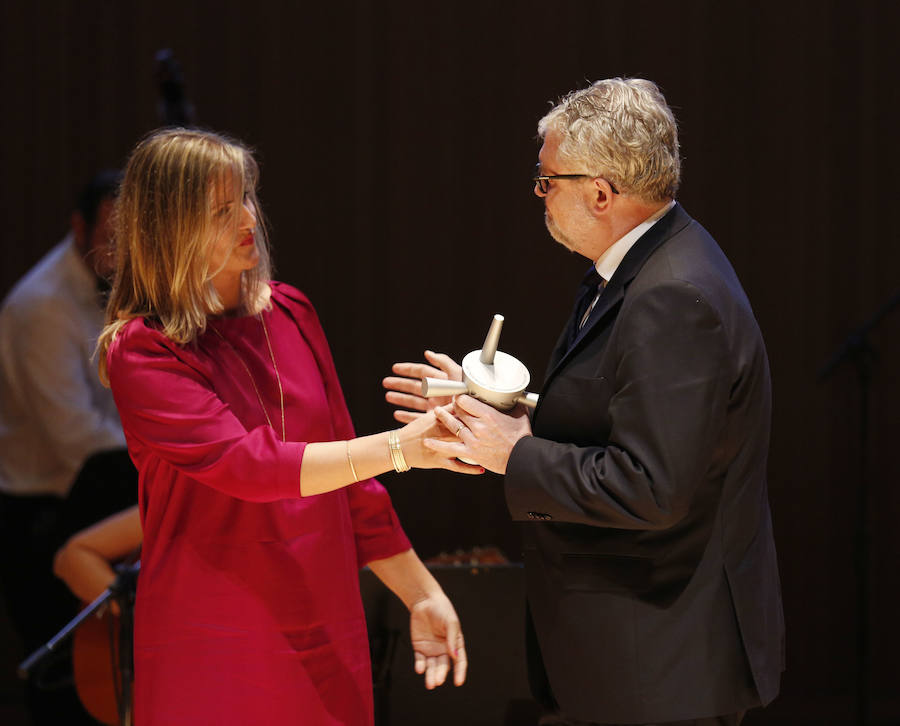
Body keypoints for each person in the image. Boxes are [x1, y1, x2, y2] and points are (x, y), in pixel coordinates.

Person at [384, 78, 785, 725]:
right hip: (634, 653)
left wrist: (514, 453)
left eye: (548, 181)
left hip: (659, 664)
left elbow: (652, 486)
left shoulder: (672, 296)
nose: (539, 196)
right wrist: (495, 408)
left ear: (601, 192)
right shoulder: (637, 264)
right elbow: (621, 418)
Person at [96, 127, 476, 726]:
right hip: (212, 639)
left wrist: (421, 592)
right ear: (169, 228)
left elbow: (355, 488)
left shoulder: (291, 310)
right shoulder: (141, 351)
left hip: (324, 626)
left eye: (246, 196)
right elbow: (251, 467)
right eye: (221, 210)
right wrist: (402, 447)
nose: (247, 216)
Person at [0, 170, 137, 726]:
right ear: (78, 227)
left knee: (108, 678)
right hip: (41, 511)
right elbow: (77, 438)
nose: (116, 250)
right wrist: (174, 443)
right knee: (64, 692)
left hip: (96, 501)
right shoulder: (41, 307)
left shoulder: (114, 286)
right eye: (107, 233)